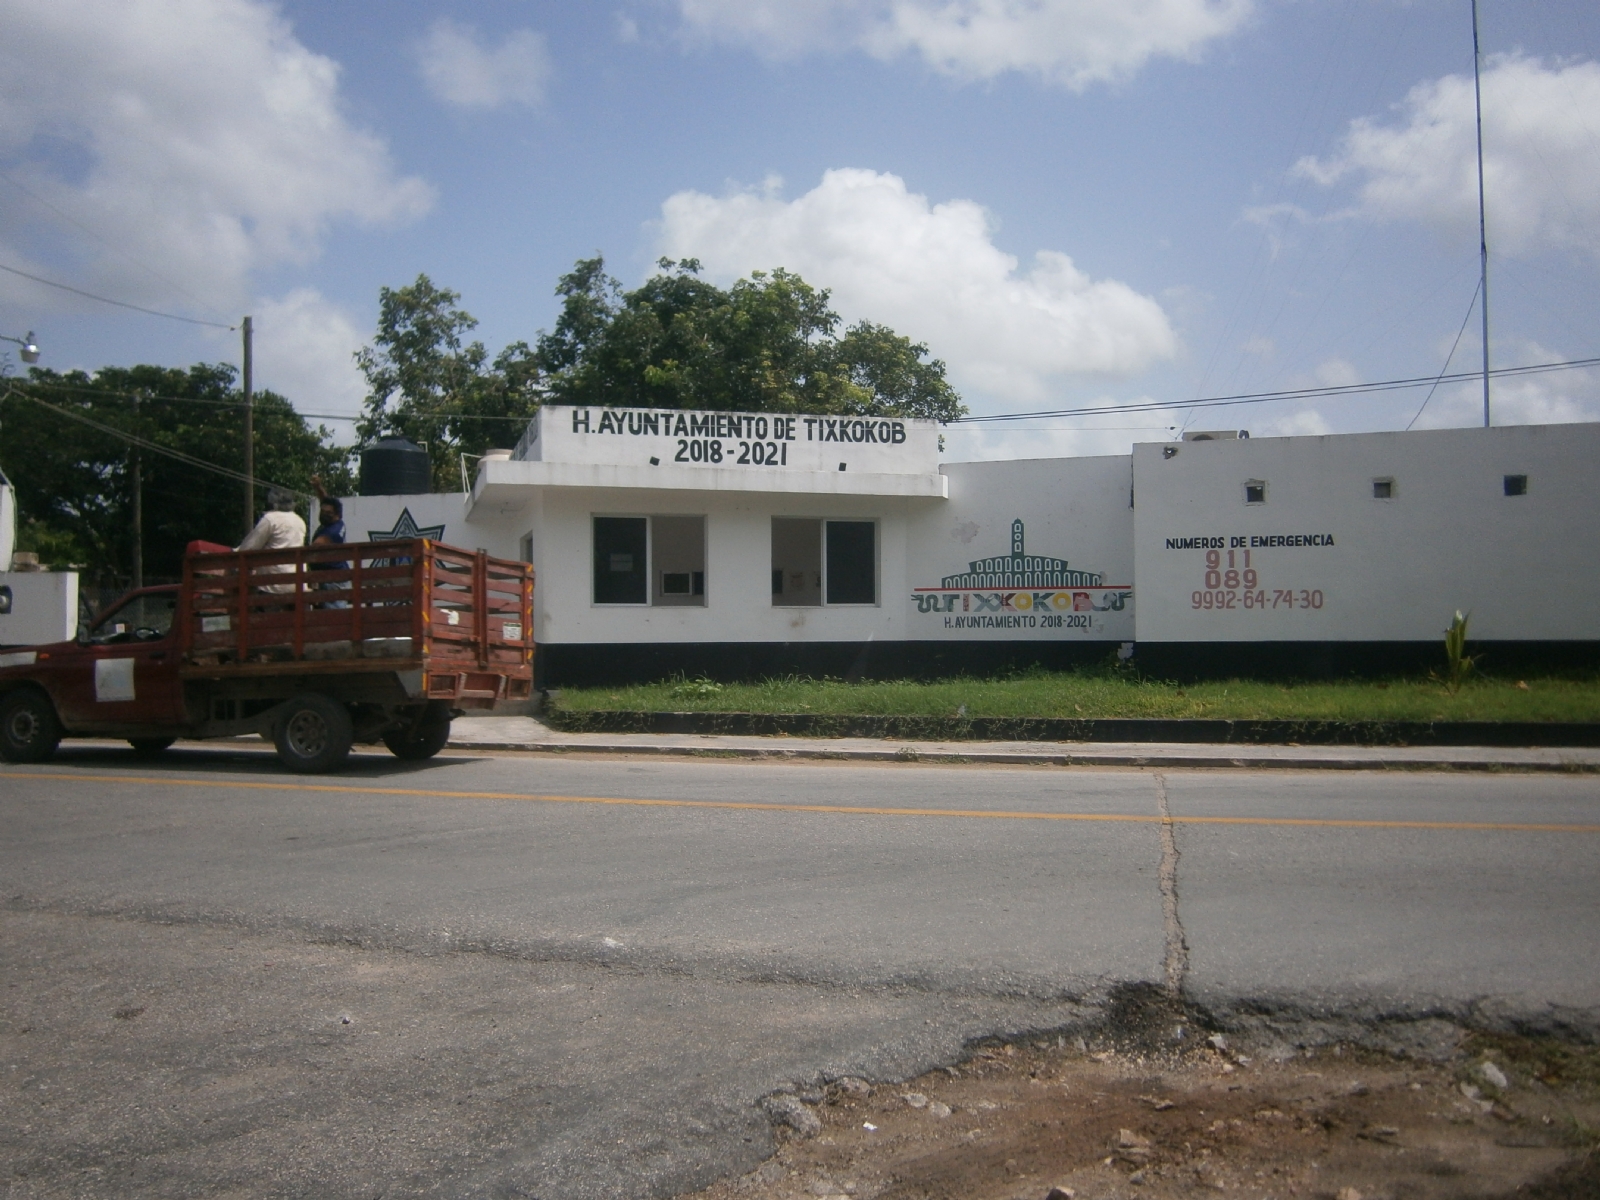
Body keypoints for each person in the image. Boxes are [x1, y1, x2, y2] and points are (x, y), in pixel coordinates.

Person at [236, 487, 307, 594]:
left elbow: (249, 548)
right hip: (297, 584)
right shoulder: (300, 521)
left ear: (273, 503)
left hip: (273, 586)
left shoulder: (270, 519)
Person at [309, 475, 349, 605]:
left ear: (336, 515)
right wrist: (318, 487)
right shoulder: (333, 522)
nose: (323, 514)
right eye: (322, 511)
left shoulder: (334, 531)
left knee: (335, 619)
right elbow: (324, 500)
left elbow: (316, 545)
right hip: (329, 579)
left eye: (328, 513)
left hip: (334, 581)